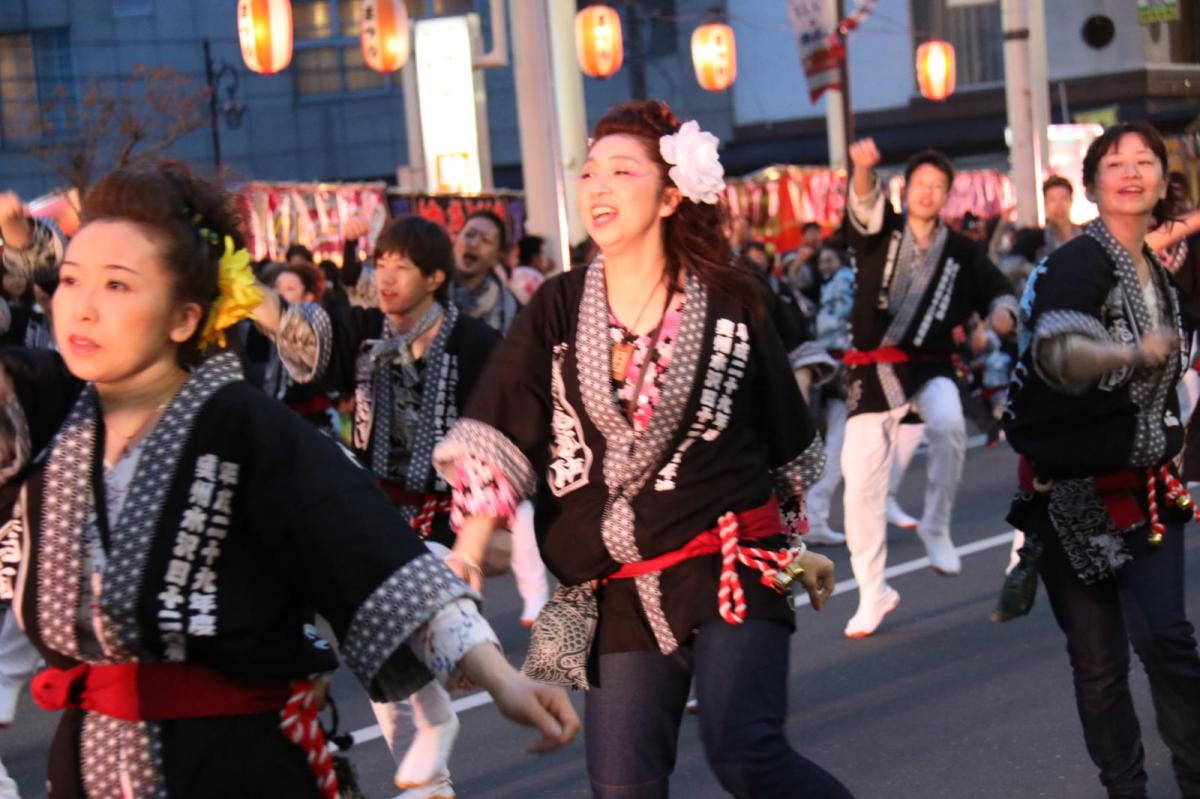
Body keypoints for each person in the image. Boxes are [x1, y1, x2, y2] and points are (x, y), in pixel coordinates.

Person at [0, 161, 578, 799]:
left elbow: (375, 559)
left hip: (233, 764)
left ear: (185, 316)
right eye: (72, 280)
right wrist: (25, 243)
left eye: (117, 285)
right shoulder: (54, 416)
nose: (82, 305)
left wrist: (503, 679)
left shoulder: (247, 430)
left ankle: (434, 759)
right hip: (86, 762)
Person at [432, 100, 850, 799]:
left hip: (728, 560)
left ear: (670, 193)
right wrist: (470, 553)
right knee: (622, 784)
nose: (598, 186)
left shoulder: (731, 300)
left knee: (744, 750)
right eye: (590, 172)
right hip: (613, 584)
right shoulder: (557, 306)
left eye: (622, 171)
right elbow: (503, 426)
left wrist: (789, 548)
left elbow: (782, 439)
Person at [255, 215, 503, 797]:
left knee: (409, 621)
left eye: (402, 266)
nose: (386, 277)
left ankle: (442, 724)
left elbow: (495, 441)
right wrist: (239, 286)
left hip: (448, 514)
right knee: (375, 648)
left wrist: (480, 534)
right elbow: (292, 328)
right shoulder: (364, 333)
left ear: (435, 276)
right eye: (381, 262)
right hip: (373, 512)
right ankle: (430, 786)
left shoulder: (474, 343)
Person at [1002, 121, 1200, 799]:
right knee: (1099, 663)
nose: (1132, 171)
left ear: (1160, 182)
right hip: (1075, 495)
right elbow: (1059, 349)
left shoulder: (1156, 271)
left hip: (1146, 487)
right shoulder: (1076, 263)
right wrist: (1120, 353)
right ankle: (1127, 789)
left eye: (1146, 160)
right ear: (1091, 182)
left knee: (1169, 640)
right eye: (1115, 162)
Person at [839, 138, 1017, 638]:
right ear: (906, 188)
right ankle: (873, 589)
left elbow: (997, 289)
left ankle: (936, 524)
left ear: (947, 196)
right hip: (873, 370)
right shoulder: (881, 231)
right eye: (921, 183)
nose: (928, 192)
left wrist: (1002, 313)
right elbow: (863, 207)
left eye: (938, 187)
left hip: (933, 364)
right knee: (860, 484)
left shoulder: (961, 250)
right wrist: (861, 170)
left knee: (948, 423)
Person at [452, 210, 520, 334]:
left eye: (485, 240)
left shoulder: (509, 308)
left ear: (497, 256)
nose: (473, 244)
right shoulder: (428, 291)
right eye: (469, 234)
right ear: (455, 239)